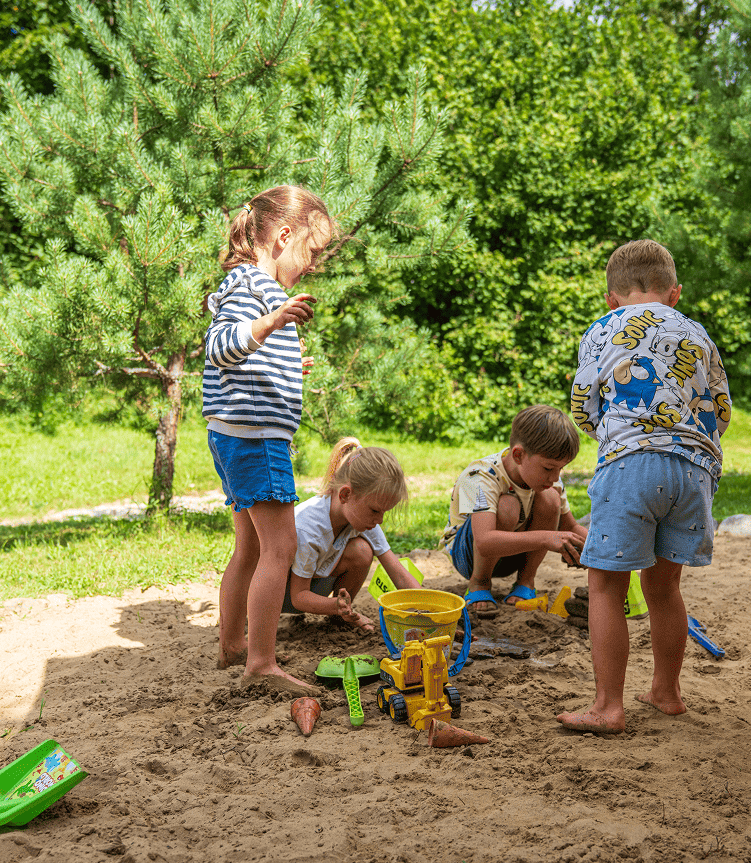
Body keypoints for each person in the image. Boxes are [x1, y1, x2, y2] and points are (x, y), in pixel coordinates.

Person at [557, 239, 731, 734]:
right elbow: (721, 408)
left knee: (606, 586)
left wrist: (609, 438)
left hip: (631, 463)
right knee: (664, 587)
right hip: (695, 471)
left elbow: (583, 403)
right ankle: (667, 691)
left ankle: (608, 706)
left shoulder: (603, 328)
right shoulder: (698, 334)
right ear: (674, 293)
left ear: (612, 299)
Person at [204, 185, 336, 696]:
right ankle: (260, 662)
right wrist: (273, 321)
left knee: (250, 546)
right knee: (280, 546)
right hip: (255, 438)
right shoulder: (252, 288)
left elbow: (244, 357)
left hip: (237, 434)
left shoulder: (255, 288)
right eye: (313, 250)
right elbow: (219, 347)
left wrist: (285, 362)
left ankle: (232, 645)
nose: (313, 263)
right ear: (284, 235)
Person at [438, 405, 588, 619]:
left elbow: (571, 527)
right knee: (508, 506)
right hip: (469, 555)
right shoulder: (479, 477)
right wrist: (547, 538)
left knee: (550, 498)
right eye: (548, 468)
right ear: (518, 455)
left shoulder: (548, 480)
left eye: (560, 469)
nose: (555, 477)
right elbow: (484, 541)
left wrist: (602, 551)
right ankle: (479, 584)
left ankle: (525, 581)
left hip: (511, 551)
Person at [286, 438, 421, 631]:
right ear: (345, 495)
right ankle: (341, 612)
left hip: (315, 587)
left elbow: (397, 573)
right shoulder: (310, 529)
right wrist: (336, 606)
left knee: (361, 550)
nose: (380, 520)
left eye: (384, 512)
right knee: (361, 549)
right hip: (286, 598)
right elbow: (298, 597)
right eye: (375, 511)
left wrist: (432, 613)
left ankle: (341, 618)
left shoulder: (359, 515)